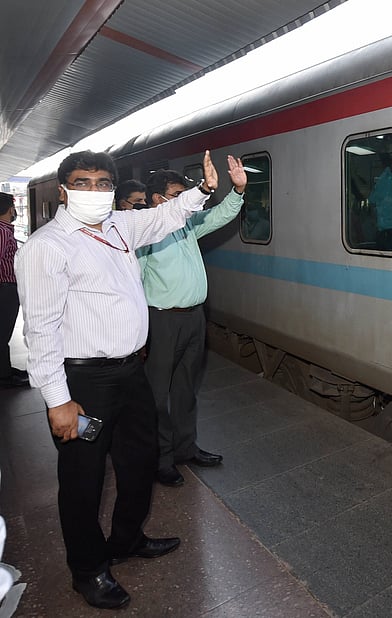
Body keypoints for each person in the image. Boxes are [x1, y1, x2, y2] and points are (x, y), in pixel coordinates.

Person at [14, 149, 222, 610]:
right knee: (84, 479)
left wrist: (204, 191)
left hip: (131, 373)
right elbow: (41, 330)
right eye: (83, 182)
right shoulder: (47, 247)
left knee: (140, 463)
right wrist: (57, 400)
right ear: (64, 190)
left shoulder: (119, 227)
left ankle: (126, 539)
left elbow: (166, 216)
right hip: (85, 382)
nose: (94, 191)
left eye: (103, 183)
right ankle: (87, 569)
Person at [139, 159, 246, 487]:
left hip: (194, 319)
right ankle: (161, 458)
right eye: (179, 194)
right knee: (157, 395)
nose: (187, 200)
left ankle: (186, 447)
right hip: (161, 321)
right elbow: (134, 281)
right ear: (159, 199)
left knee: (187, 388)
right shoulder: (144, 233)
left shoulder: (187, 225)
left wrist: (239, 190)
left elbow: (219, 215)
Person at [0, 192, 28, 388]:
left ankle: (6, 370)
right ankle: (4, 377)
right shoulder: (1, 231)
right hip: (4, 289)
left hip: (6, 288)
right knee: (2, 333)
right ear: (10, 209)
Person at [369, 153, 392, 250]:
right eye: (385, 148)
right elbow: (373, 200)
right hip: (381, 232)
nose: (386, 152)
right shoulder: (383, 176)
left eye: (390, 148)